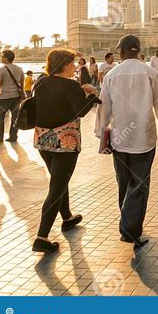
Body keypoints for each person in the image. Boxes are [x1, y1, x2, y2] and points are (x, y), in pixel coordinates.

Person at [98, 34, 158, 249]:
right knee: (139, 185)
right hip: (144, 138)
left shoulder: (112, 75)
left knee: (124, 182)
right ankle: (130, 228)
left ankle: (127, 224)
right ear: (138, 51)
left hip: (120, 139)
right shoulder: (151, 73)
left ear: (121, 52)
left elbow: (104, 108)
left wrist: (103, 135)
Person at [32, 48, 100, 254]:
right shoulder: (71, 86)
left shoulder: (41, 82)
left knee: (59, 179)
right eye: (72, 63)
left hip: (43, 141)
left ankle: (67, 218)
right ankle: (41, 237)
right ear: (63, 65)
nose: (76, 67)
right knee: (57, 187)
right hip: (65, 144)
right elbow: (80, 111)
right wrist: (91, 94)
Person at [0, 50, 24, 144]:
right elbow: (21, 83)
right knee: (14, 118)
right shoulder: (19, 69)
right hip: (16, 97)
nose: (1, 58)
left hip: (4, 98)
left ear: (7, 58)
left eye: (2, 56)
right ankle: (13, 136)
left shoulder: (2, 69)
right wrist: (23, 95)